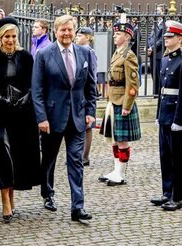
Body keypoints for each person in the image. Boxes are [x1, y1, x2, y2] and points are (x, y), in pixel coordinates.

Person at [32, 15, 97, 222]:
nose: (67, 33)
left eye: (70, 30)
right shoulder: (44, 54)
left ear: (75, 31)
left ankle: (77, 206)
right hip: (52, 119)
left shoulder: (85, 53)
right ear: (56, 31)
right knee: (49, 160)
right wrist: (41, 117)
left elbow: (91, 87)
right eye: (63, 30)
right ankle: (48, 193)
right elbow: (37, 89)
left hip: (77, 118)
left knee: (76, 162)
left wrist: (90, 112)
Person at [0, 17, 41, 223]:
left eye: (13, 36)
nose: (10, 40)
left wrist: (26, 97)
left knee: (16, 156)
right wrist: (0, 98)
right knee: (3, 156)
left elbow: (34, 84)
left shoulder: (26, 57)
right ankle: (5, 202)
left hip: (20, 114)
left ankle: (12, 199)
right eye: (7, 36)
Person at [98, 22, 141, 186]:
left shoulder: (129, 55)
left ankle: (121, 174)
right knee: (114, 139)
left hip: (122, 101)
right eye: (115, 34)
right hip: (113, 99)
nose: (115, 36)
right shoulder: (117, 53)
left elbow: (133, 84)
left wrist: (127, 105)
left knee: (122, 139)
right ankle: (116, 171)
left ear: (127, 37)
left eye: (118, 34)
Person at [150, 20, 182, 211]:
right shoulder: (165, 59)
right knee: (165, 155)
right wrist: (158, 114)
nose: (166, 39)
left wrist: (179, 120)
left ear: (180, 38)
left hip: (176, 116)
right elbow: (162, 91)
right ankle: (166, 192)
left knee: (178, 158)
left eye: (170, 36)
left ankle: (178, 196)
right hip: (165, 115)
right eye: (166, 36)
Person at [75, 26, 98, 166]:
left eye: (80, 35)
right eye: (76, 35)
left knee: (87, 125)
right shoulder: (76, 51)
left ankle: (85, 156)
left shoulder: (90, 52)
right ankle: (78, 154)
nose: (77, 37)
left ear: (88, 37)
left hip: (86, 91)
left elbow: (92, 73)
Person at [147, 4, 167, 96]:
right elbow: (151, 37)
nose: (156, 12)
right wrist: (147, 47)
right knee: (154, 76)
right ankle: (155, 94)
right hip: (152, 54)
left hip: (159, 54)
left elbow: (161, 40)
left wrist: (152, 48)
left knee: (159, 76)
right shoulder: (156, 22)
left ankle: (158, 94)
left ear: (163, 12)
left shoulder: (164, 24)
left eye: (158, 11)